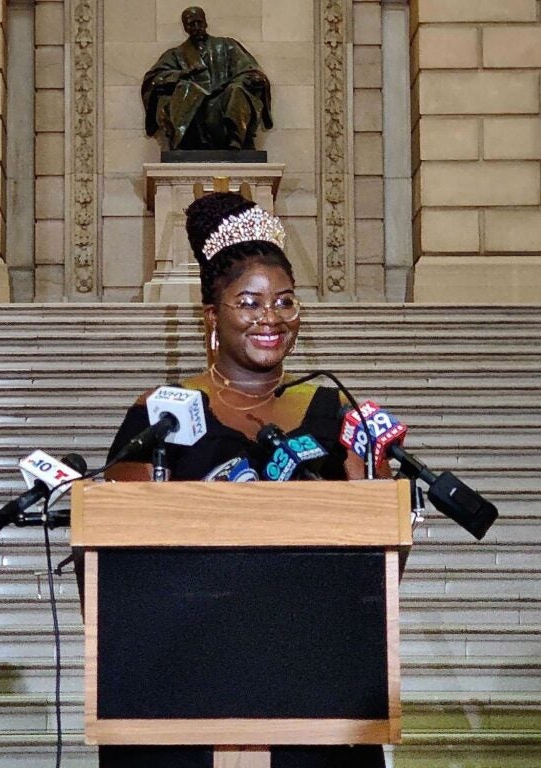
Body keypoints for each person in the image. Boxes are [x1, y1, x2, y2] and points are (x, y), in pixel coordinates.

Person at [101, 192, 386, 767]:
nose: (271, 318)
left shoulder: (335, 412)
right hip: (184, 682)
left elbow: (374, 570)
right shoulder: (165, 411)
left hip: (314, 682)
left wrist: (369, 479)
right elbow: (118, 559)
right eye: (249, 302)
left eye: (284, 302)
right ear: (213, 316)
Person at [141, 6, 272, 151]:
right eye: (191, 24)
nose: (196, 27)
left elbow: (249, 69)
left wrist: (252, 78)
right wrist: (182, 74)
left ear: (205, 22)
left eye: (199, 22)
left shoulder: (227, 45)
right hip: (194, 102)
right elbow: (154, 79)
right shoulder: (175, 54)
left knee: (237, 90)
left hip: (224, 97)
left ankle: (235, 140)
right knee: (186, 90)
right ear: (185, 27)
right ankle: (186, 140)